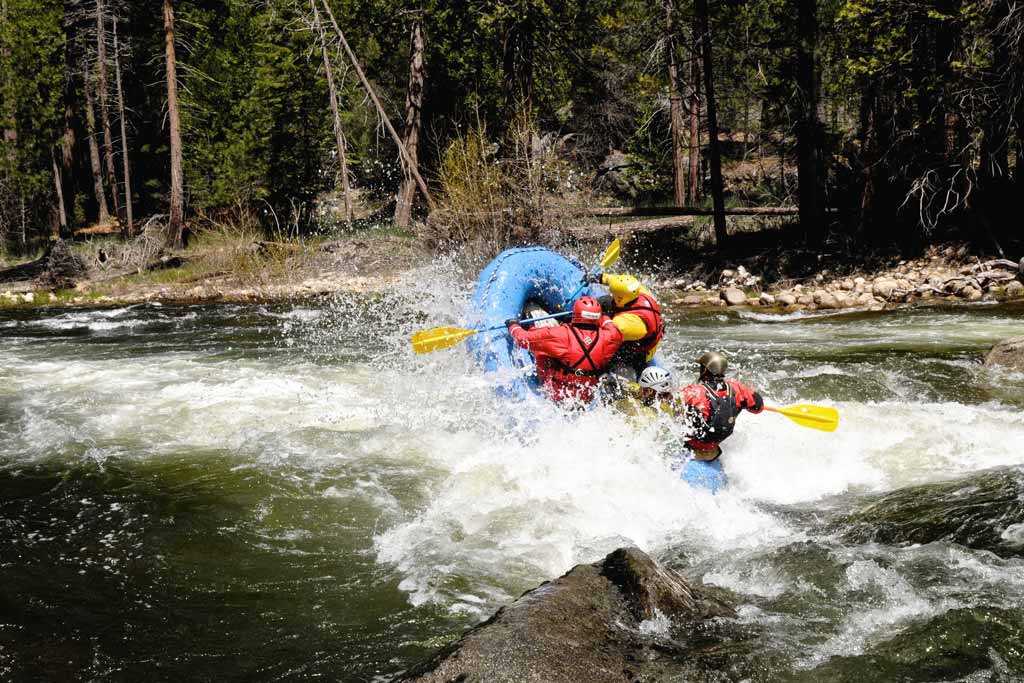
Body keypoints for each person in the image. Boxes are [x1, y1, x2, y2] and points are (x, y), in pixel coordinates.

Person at [505, 295, 623, 405]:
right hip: (586, 396)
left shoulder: (560, 335)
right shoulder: (610, 338)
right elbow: (613, 329)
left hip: (558, 393)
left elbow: (522, 339)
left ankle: (539, 380)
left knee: (542, 350)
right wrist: (605, 317)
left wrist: (513, 325)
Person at [677, 351, 764, 461]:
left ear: (704, 370)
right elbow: (758, 408)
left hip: (694, 445)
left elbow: (672, 405)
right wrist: (741, 405)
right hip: (715, 444)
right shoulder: (737, 389)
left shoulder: (694, 392)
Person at [586, 272, 664, 379]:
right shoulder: (639, 291)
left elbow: (607, 333)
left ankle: (603, 376)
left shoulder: (628, 323)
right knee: (605, 301)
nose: (612, 295)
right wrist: (601, 277)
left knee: (605, 357)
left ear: (620, 299)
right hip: (637, 325)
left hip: (640, 351)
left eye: (614, 294)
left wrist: (587, 317)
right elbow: (616, 280)